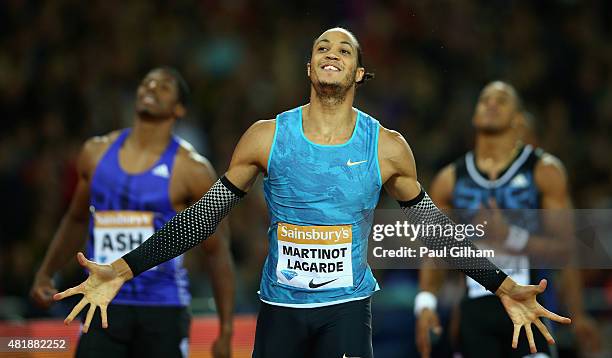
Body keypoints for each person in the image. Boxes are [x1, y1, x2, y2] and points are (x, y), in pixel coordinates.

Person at [53, 29, 571, 358]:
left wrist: (501, 285)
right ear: (308, 67)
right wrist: (123, 269)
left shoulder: (387, 148)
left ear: (359, 73)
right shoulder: (265, 136)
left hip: (347, 312)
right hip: (279, 310)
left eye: (344, 49)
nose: (331, 53)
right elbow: (202, 219)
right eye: (322, 47)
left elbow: (435, 231)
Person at [30, 68, 235, 358]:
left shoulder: (192, 169)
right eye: (146, 82)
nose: (151, 87)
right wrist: (46, 272)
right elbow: (76, 218)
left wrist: (226, 329)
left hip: (162, 308)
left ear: (179, 109)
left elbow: (217, 251)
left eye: (163, 86)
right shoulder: (95, 152)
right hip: (101, 301)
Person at [414, 81, 600, 358]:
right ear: (474, 116)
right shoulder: (449, 180)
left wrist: (578, 314)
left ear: (518, 119)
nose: (490, 104)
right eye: (484, 100)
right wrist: (426, 303)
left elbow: (565, 249)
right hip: (473, 316)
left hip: (531, 308)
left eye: (501, 101)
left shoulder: (544, 171)